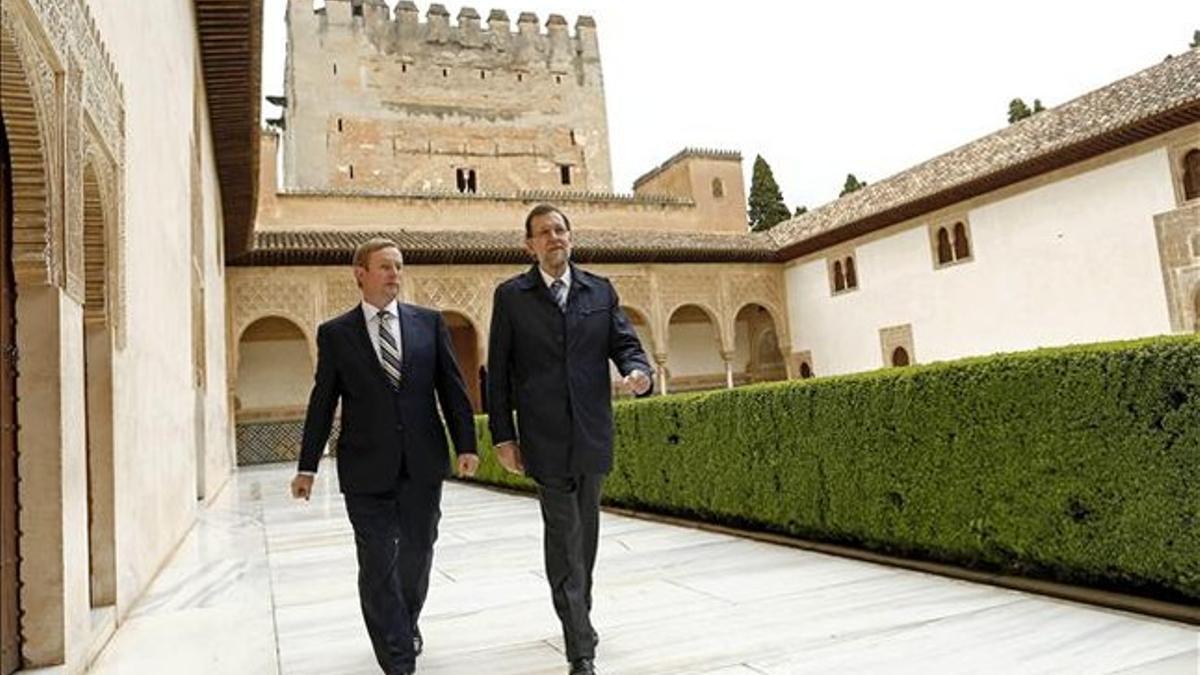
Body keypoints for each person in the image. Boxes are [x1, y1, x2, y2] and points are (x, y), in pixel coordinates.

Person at [290, 238, 478, 675]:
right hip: (364, 468)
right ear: (360, 274)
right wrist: (307, 466)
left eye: (399, 266)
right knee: (376, 560)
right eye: (386, 267)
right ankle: (398, 658)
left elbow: (452, 389)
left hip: (422, 462)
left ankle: (404, 621)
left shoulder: (429, 324)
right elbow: (323, 402)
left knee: (417, 552)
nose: (395, 274)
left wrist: (466, 444)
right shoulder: (335, 334)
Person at [487, 204, 653, 675]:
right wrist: (504, 436)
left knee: (586, 537)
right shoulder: (512, 297)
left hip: (592, 434)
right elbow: (497, 373)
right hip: (544, 439)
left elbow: (624, 343)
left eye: (560, 230)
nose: (554, 237)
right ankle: (580, 648)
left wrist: (637, 371)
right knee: (564, 537)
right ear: (530, 245)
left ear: (570, 237)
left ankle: (579, 615)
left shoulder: (599, 290)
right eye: (544, 232)